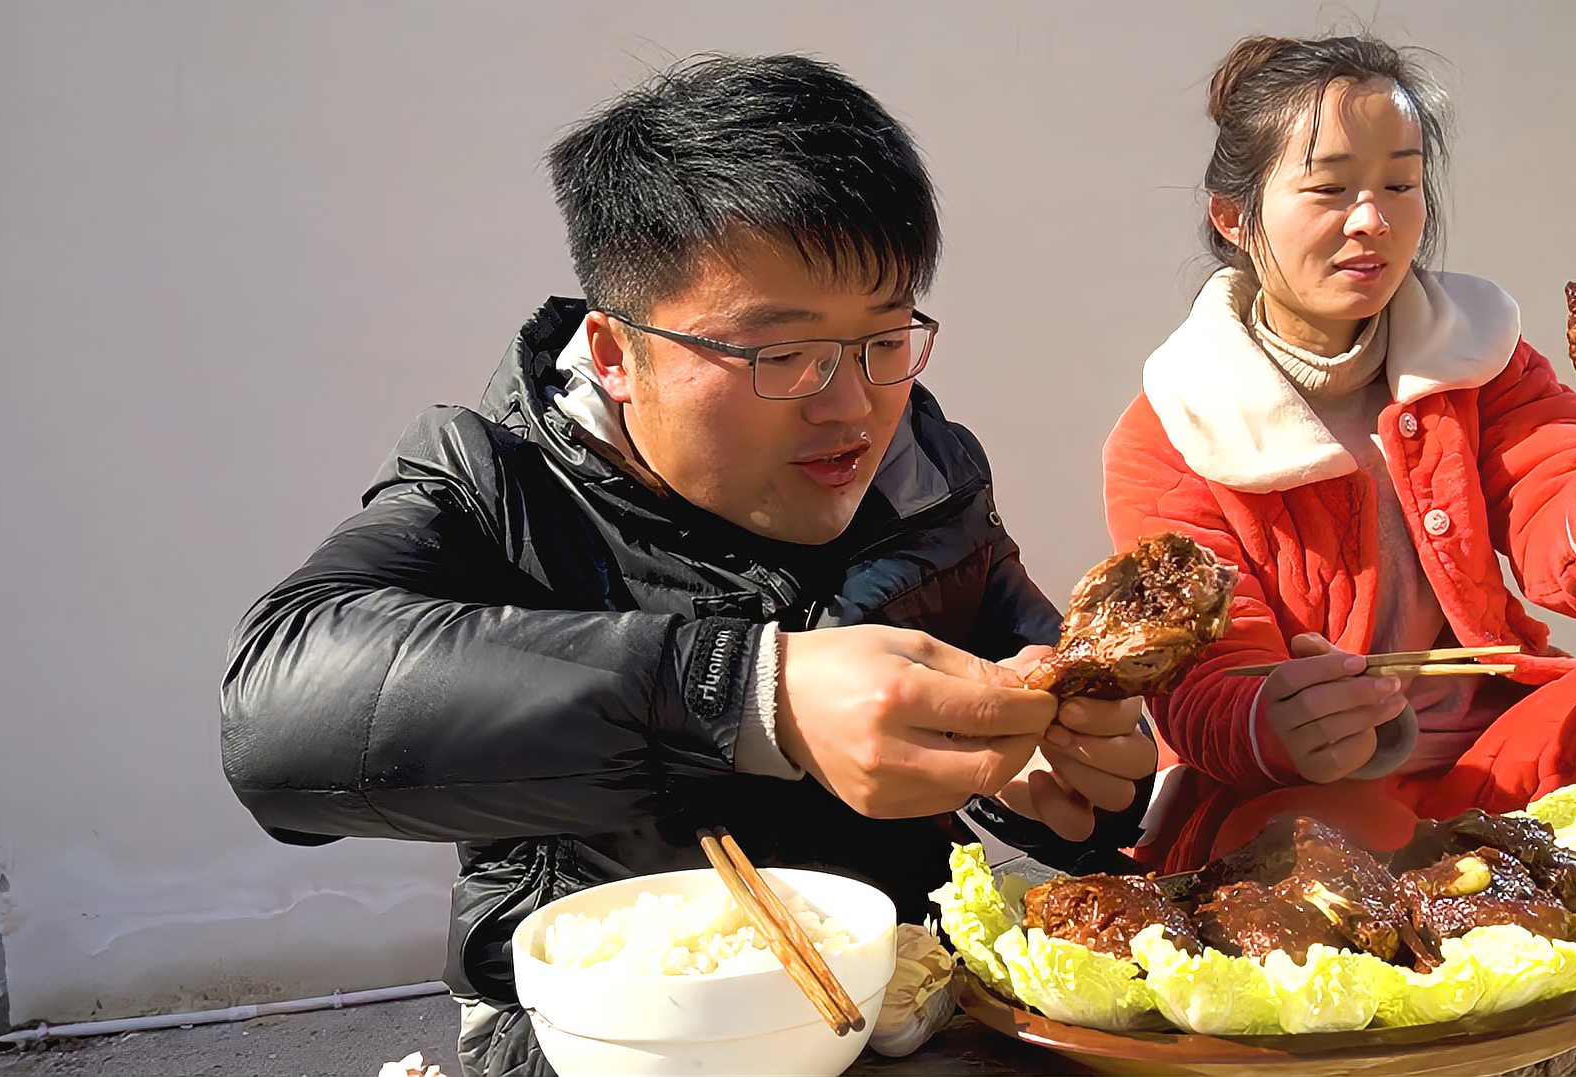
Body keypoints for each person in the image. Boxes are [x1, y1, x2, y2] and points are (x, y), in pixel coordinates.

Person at [221, 53, 1156, 1077]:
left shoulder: (931, 478)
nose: (848, 406)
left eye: (886, 336)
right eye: (778, 353)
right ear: (617, 355)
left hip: (895, 1004)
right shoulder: (499, 483)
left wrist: (1083, 782)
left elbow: (1034, 696)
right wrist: (754, 695)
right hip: (605, 1035)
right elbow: (277, 715)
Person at [1104, 23, 1576, 994]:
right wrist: (1275, 718)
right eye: (1328, 188)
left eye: (1400, 184)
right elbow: (1200, 686)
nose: (1371, 218)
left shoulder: (1481, 361)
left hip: (1501, 753)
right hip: (1302, 796)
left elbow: (1560, 535)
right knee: (1341, 850)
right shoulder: (1172, 430)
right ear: (1233, 216)